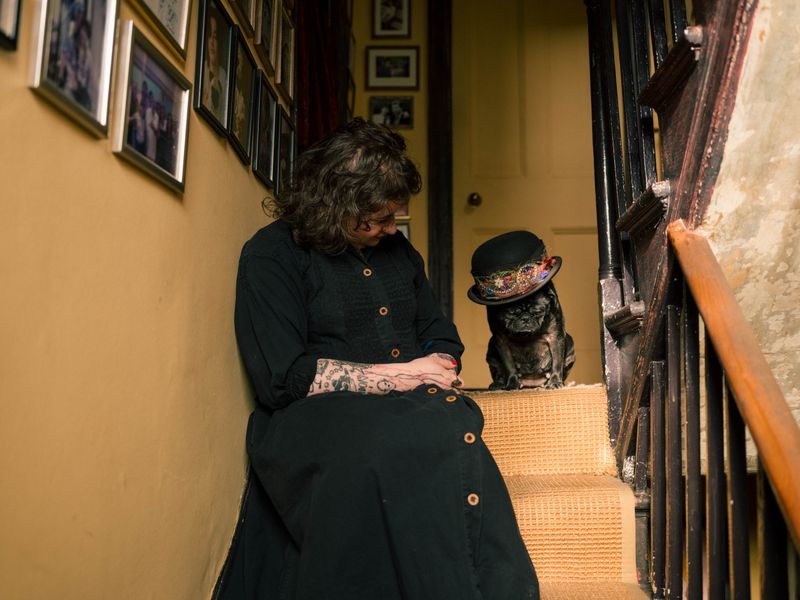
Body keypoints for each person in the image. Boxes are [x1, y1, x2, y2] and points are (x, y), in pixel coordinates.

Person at [214, 118, 539, 600]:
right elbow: (283, 378)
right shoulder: (271, 256)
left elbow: (437, 331)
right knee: (390, 444)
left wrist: (440, 365)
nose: (393, 228)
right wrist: (407, 375)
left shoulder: (397, 250)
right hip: (311, 416)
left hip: (405, 407)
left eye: (395, 218)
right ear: (337, 206)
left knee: (453, 431)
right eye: (382, 219)